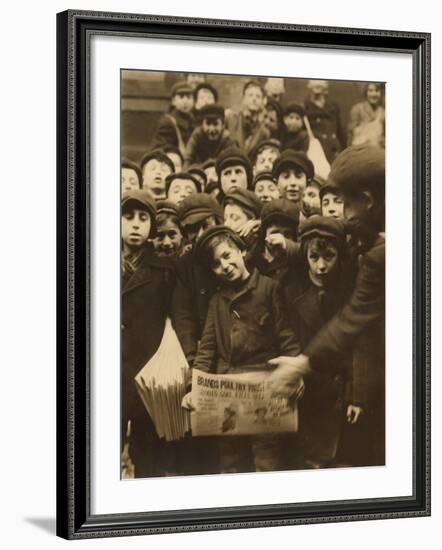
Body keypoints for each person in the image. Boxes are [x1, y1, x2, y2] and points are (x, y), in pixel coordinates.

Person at [267, 145, 386, 466]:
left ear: (368, 200)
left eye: (344, 203)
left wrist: (301, 364)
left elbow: (354, 318)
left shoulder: (379, 254)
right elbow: (330, 238)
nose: (343, 214)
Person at [184, 226, 301, 473]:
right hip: (226, 395)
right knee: (230, 461)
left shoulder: (269, 288)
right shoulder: (217, 301)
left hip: (265, 389)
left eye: (227, 256)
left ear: (242, 251)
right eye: (216, 264)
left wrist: (294, 373)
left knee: (267, 460)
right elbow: (206, 350)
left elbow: (286, 337)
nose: (224, 266)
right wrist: (194, 389)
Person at [287, 216, 357, 468]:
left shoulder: (352, 293)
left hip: (343, 394)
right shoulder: (291, 294)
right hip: (309, 393)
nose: (321, 266)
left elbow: (358, 351)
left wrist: (353, 393)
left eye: (329, 257)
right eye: (314, 257)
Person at [121, 189, 176, 478]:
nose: (135, 224)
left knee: (147, 457)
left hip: (148, 374)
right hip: (110, 374)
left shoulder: (163, 270)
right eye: (128, 217)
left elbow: (176, 319)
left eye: (143, 218)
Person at [304, 80, 346, 163]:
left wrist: (344, 152)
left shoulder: (333, 107)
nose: (317, 87)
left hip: (334, 151)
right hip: (317, 151)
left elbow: (340, 132)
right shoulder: (305, 107)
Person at [225, 80, 270, 154]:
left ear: (262, 102)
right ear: (243, 99)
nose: (254, 99)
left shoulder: (264, 132)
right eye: (250, 95)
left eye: (258, 96)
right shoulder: (231, 119)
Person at [152, 81, 196, 156]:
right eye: (181, 97)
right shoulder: (168, 122)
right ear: (173, 101)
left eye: (189, 97)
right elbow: (160, 149)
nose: (185, 101)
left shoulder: (194, 121)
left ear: (194, 101)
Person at [347, 83, 385, 147]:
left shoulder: (383, 112)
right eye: (370, 91)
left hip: (378, 150)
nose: (374, 94)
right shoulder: (357, 109)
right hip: (361, 149)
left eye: (377, 91)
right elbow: (351, 135)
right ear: (366, 93)